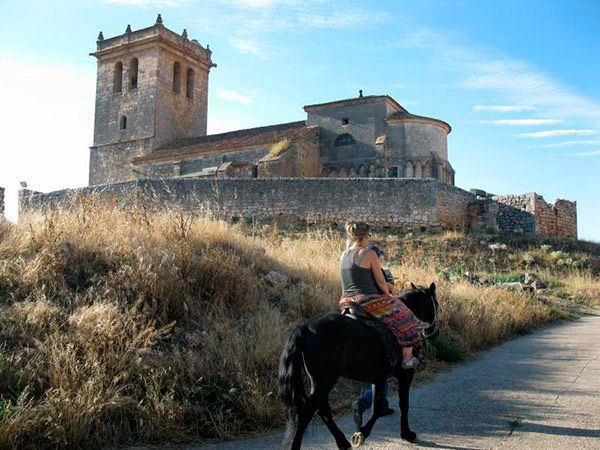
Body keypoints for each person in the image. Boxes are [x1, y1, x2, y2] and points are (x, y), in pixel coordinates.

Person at [339, 221, 420, 369]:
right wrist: (388, 292)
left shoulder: (343, 254)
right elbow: (381, 281)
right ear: (366, 236)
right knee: (408, 317)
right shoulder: (368, 253)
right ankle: (407, 358)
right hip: (366, 300)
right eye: (369, 235)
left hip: (345, 301)